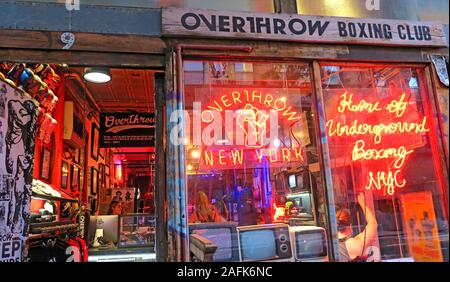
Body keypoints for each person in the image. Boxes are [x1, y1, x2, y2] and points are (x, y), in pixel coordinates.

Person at [336, 192, 378, 262]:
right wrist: (362, 202)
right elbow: (373, 224)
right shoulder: (353, 244)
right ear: (350, 225)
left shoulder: (331, 244)